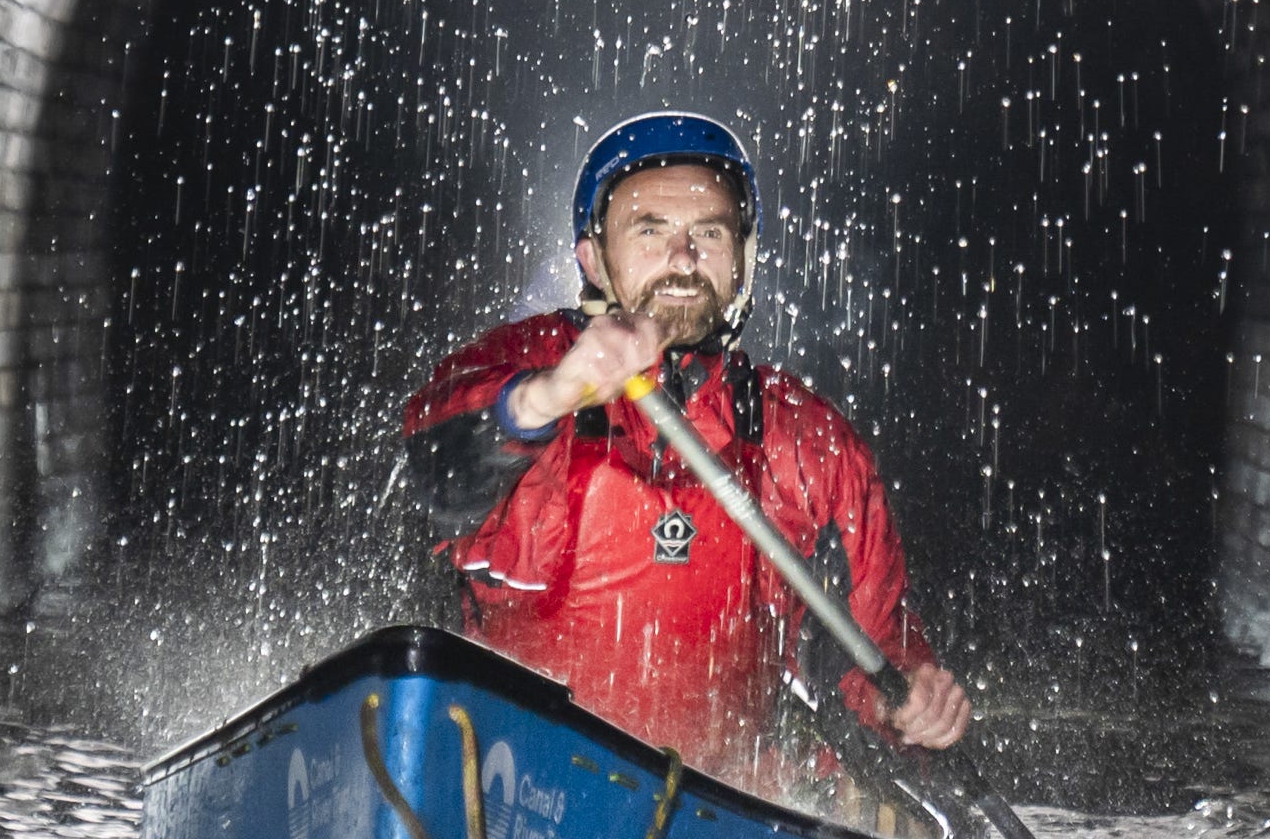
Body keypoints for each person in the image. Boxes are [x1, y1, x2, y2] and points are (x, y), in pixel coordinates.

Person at [398, 112, 972, 794]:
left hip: (719, 811)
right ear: (592, 257)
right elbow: (435, 471)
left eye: (709, 232)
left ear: (741, 262)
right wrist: (543, 397)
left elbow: (871, 642)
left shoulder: (810, 441)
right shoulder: (524, 365)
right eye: (649, 230)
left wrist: (908, 700)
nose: (682, 257)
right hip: (510, 789)